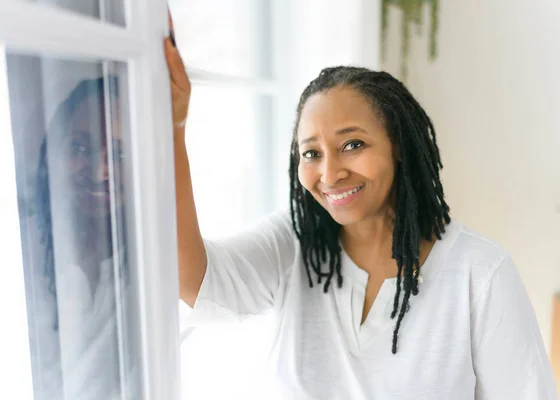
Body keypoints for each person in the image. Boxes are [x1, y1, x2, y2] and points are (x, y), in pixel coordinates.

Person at [165, 30, 559, 399]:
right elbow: (195, 282)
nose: (330, 173)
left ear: (398, 146)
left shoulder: (480, 273)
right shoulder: (292, 242)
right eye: (311, 153)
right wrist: (173, 128)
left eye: (352, 144)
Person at [27, 75, 135, 400]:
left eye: (119, 155)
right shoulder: (27, 248)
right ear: (54, 153)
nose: (99, 169)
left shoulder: (154, 268)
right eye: (80, 147)